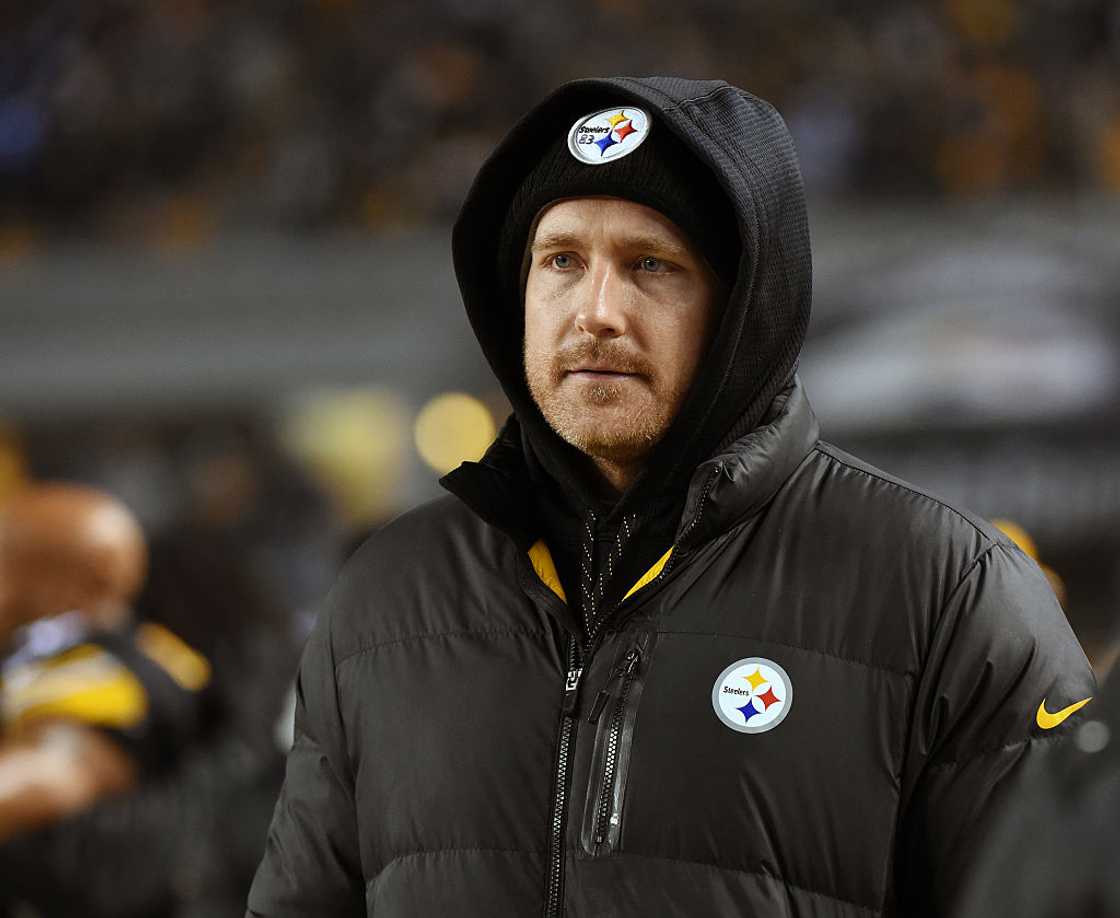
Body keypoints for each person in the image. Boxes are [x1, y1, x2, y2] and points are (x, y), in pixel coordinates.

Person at [247, 77, 1095, 917]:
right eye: (562, 262)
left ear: (744, 310)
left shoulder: (948, 590)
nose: (597, 312)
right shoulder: (388, 595)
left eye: (651, 264)